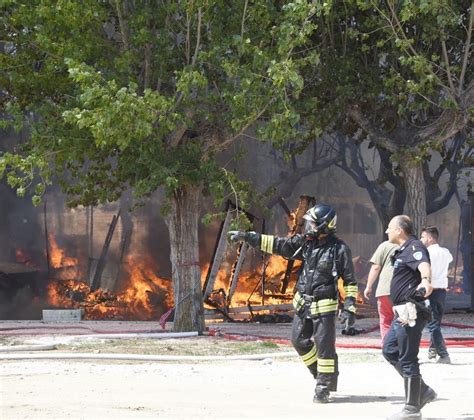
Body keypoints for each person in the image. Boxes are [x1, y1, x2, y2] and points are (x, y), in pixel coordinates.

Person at [228, 203, 357, 404]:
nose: (308, 228)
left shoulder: (339, 250)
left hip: (324, 307)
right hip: (302, 304)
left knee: (325, 349)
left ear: (324, 226)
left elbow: (349, 281)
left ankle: (323, 386)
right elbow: (279, 244)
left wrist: (349, 308)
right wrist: (248, 237)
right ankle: (322, 375)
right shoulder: (305, 243)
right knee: (299, 342)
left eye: (312, 224)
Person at [382, 215, 437, 420]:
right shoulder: (403, 251)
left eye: (389, 228)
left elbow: (423, 264)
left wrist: (425, 281)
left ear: (399, 230)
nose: (386, 231)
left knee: (407, 358)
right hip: (401, 312)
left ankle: (412, 408)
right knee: (389, 350)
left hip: (411, 310)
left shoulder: (414, 247)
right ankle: (423, 391)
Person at [420, 226, 453, 364]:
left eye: (423, 237)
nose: (421, 240)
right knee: (436, 322)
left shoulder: (426, 253)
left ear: (430, 238)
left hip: (430, 290)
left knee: (432, 324)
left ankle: (444, 354)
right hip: (441, 292)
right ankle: (432, 349)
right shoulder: (446, 252)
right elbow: (449, 261)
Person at [364, 240, 398, 343]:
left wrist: (368, 286)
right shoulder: (413, 244)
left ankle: (388, 347)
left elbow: (376, 267)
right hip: (404, 290)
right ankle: (403, 347)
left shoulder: (385, 245)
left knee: (386, 319)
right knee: (404, 320)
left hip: (385, 289)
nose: (387, 231)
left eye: (390, 228)